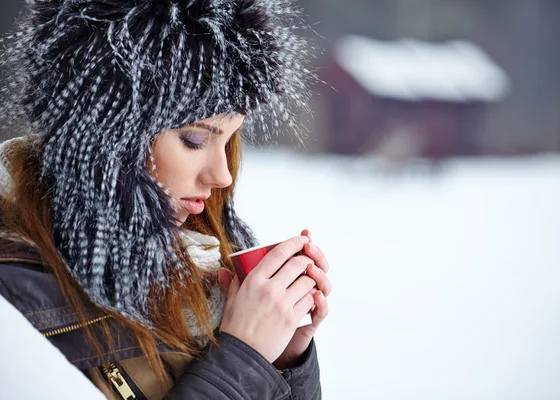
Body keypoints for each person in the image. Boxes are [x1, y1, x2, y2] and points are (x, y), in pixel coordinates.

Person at [0, 1, 331, 399]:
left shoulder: (203, 262)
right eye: (194, 140)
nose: (223, 175)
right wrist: (244, 359)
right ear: (108, 133)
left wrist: (283, 360)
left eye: (230, 140)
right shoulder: (15, 302)